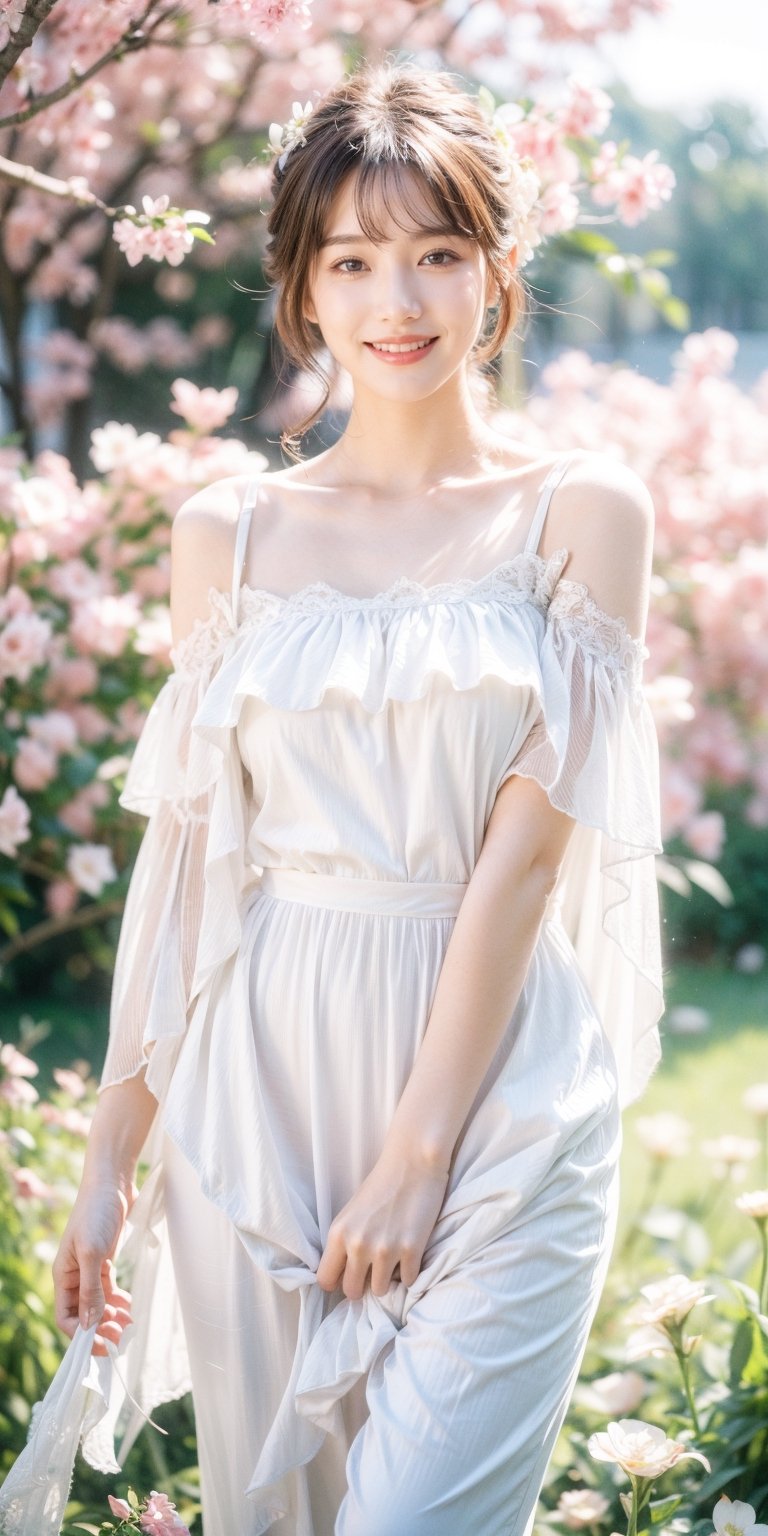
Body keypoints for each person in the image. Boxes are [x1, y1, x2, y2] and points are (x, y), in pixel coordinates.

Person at [0, 56, 664, 1536]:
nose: (399, 302)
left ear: (500, 271)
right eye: (352, 260)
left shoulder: (583, 511)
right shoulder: (227, 533)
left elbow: (525, 865)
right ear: (301, 289)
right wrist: (111, 1158)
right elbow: (189, 864)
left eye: (438, 253)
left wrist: (419, 1153)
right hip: (265, 1090)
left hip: (497, 1103)